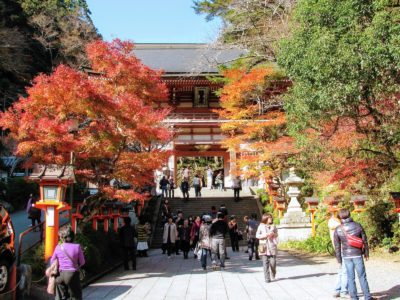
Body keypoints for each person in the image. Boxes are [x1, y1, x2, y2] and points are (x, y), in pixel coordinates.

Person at [334, 208, 372, 300]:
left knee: (350, 278)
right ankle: (367, 297)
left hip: (346, 256)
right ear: (349, 214)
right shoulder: (358, 225)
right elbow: (364, 241)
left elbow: (337, 246)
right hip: (358, 254)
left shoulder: (338, 229)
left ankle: (354, 298)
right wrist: (366, 253)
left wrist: (339, 260)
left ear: (340, 217)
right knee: (362, 276)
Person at [50, 226, 85, 300]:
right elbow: (82, 262)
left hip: (60, 276)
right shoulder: (77, 247)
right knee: (76, 296)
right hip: (72, 275)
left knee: (61, 297)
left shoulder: (58, 247)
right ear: (72, 236)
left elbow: (52, 260)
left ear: (61, 237)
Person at [328, 212, 348, 298]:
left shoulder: (332, 223)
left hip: (338, 249)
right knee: (345, 271)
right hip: (343, 248)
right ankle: (344, 291)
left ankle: (337, 289)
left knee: (341, 270)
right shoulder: (337, 225)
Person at [256, 213, 278, 283]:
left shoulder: (273, 226)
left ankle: (273, 274)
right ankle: (267, 278)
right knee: (265, 263)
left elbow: (277, 234)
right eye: (269, 218)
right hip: (264, 246)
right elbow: (257, 235)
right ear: (265, 219)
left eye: (271, 218)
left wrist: (273, 234)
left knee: (273, 263)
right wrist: (265, 235)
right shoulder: (260, 226)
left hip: (271, 246)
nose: (271, 219)